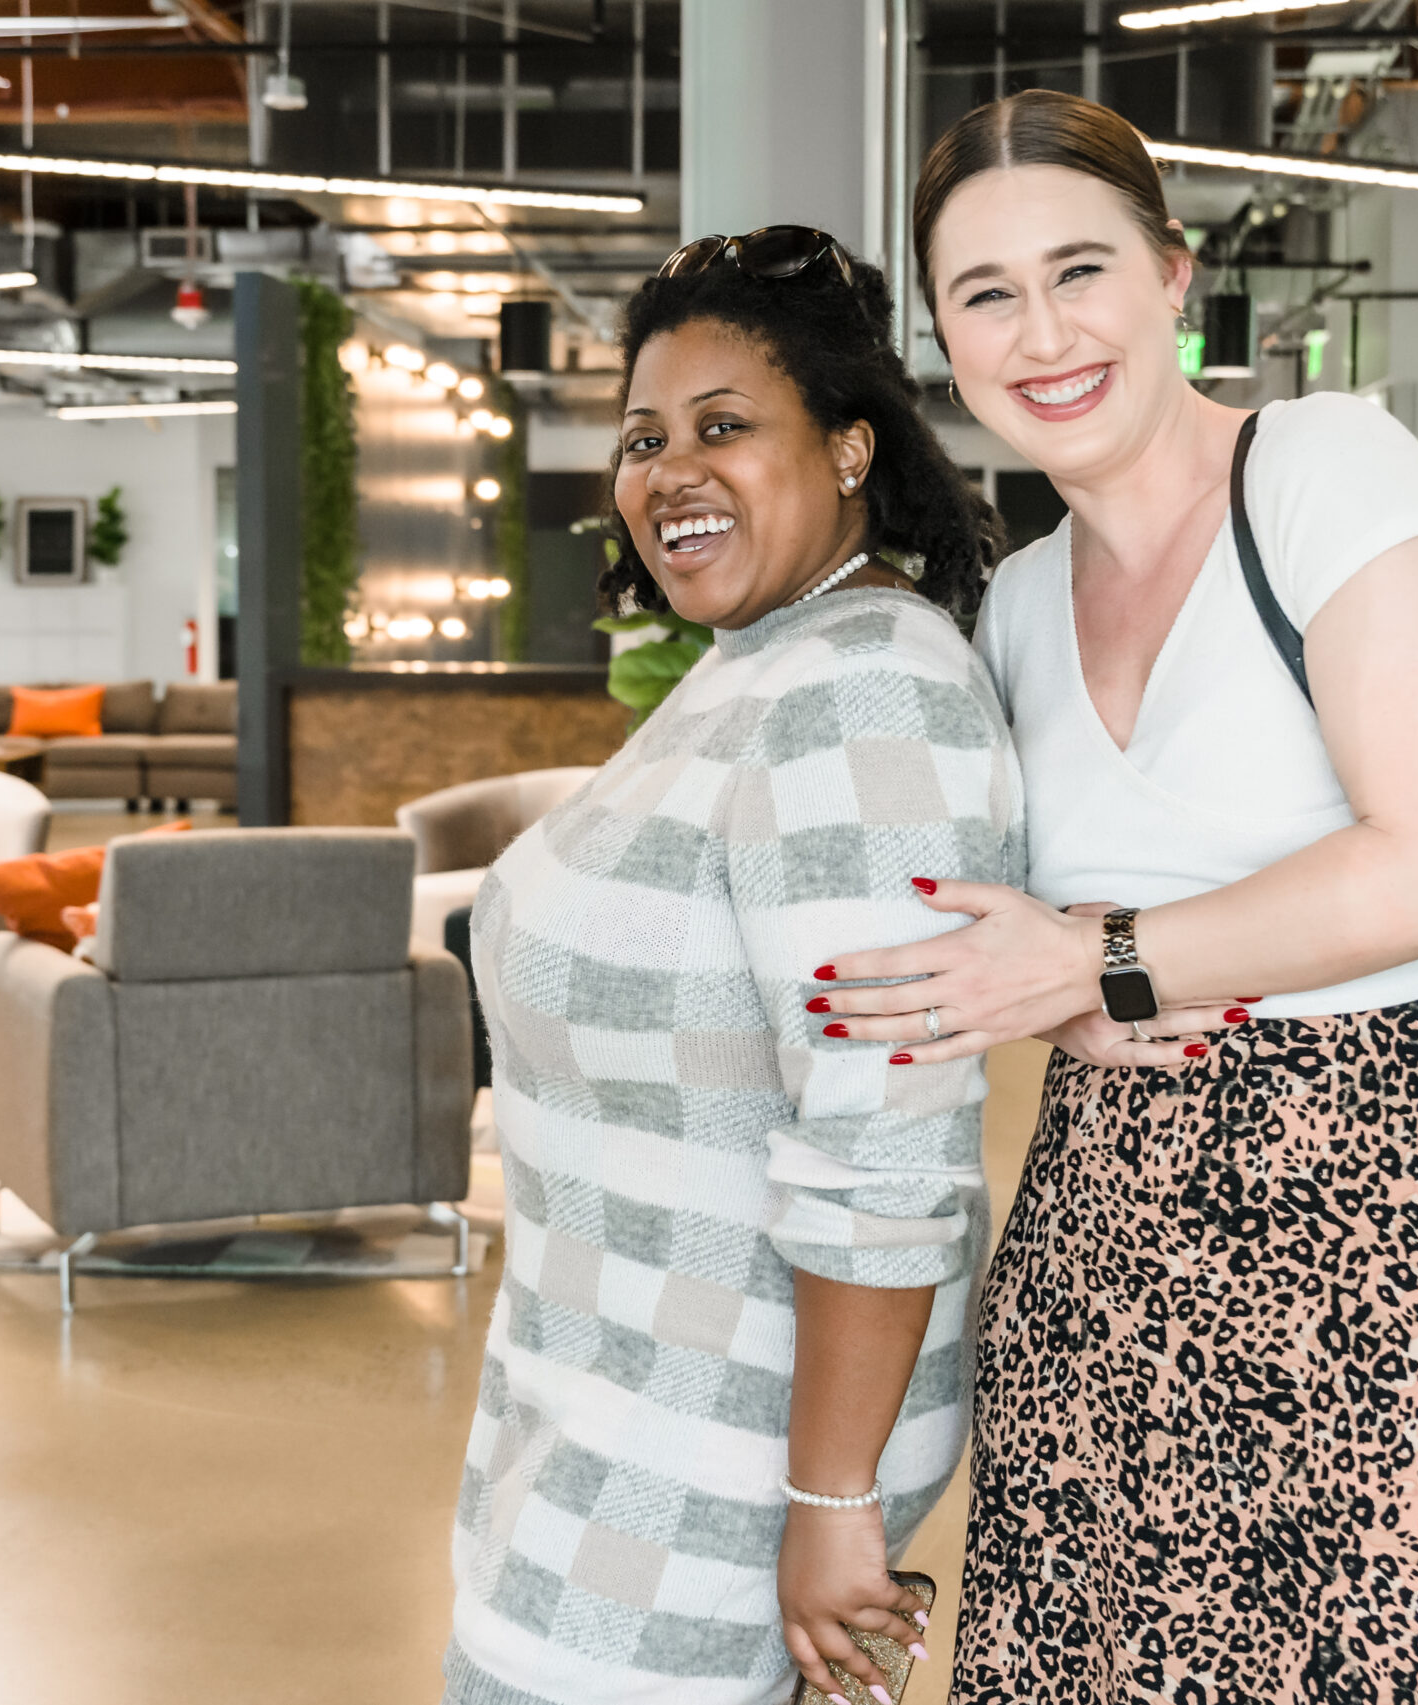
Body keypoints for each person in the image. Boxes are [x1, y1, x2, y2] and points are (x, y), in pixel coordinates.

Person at [809, 91, 1418, 1702]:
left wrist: (1103, 961)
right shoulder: (1014, 607)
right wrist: (1055, 995)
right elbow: (1008, 950)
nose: (1042, 333)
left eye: (1080, 270)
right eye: (986, 294)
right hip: (1104, 1236)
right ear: (944, 339)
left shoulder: (1326, 469)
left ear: (1172, 273)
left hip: (1379, 1222)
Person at [442, 228, 1023, 1705]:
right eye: (644, 438)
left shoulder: (866, 693)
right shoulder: (757, 664)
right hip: (597, 1429)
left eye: (722, 426)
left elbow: (885, 1151)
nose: (668, 472)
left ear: (848, 448)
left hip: (708, 1480)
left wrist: (832, 1507)